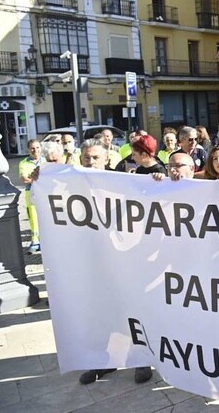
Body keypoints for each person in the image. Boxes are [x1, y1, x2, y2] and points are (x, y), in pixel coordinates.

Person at [76, 139, 153, 385]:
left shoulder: (124, 183)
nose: (91, 162)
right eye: (87, 157)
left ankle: (141, 359)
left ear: (107, 159)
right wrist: (39, 179)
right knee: (100, 313)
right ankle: (102, 361)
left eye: (96, 158)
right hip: (91, 261)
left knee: (133, 311)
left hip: (125, 260)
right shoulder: (70, 184)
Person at [19, 139, 44, 253]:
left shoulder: (45, 160)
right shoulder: (24, 163)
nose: (35, 151)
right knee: (33, 217)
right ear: (28, 150)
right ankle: (35, 241)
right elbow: (24, 180)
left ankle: (45, 240)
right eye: (33, 148)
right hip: (31, 192)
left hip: (44, 192)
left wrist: (32, 178)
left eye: (38, 148)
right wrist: (40, 179)